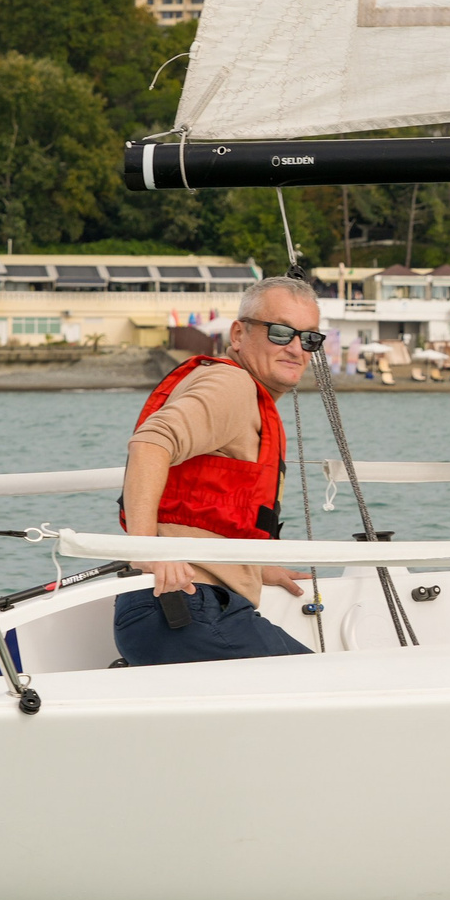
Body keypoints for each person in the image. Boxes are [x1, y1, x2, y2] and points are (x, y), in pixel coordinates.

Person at [113, 276, 322, 664]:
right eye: (281, 332)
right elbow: (150, 442)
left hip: (182, 607)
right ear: (239, 333)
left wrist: (252, 567)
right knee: (333, 688)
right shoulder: (232, 385)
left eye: (310, 338)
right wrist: (146, 550)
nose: (297, 347)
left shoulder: (239, 389)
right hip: (184, 607)